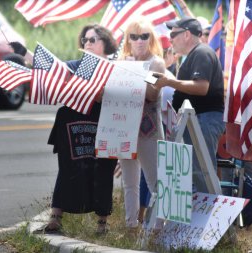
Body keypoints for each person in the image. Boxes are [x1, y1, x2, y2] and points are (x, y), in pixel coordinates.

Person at [40, 24, 118, 235]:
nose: (88, 43)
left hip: (105, 123)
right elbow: (51, 71)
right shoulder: (77, 65)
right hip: (72, 122)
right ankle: (55, 218)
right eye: (85, 40)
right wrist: (27, 55)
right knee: (67, 166)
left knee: (103, 169)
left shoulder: (115, 68)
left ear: (105, 43)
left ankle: (102, 223)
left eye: (93, 39)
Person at [154, 17, 225, 193]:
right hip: (197, 120)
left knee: (203, 172)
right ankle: (204, 214)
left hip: (204, 119)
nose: (170, 39)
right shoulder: (194, 55)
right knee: (197, 172)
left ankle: (212, 216)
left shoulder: (202, 53)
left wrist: (169, 82)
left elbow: (201, 87)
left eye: (173, 34)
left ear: (186, 34)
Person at [118, 18, 165, 229]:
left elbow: (153, 95)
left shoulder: (157, 63)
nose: (139, 41)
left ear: (151, 38)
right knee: (129, 182)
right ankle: (131, 227)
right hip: (125, 127)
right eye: (134, 37)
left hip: (149, 130)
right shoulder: (121, 61)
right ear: (128, 40)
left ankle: (158, 228)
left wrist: (133, 73)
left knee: (155, 181)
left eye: (144, 36)